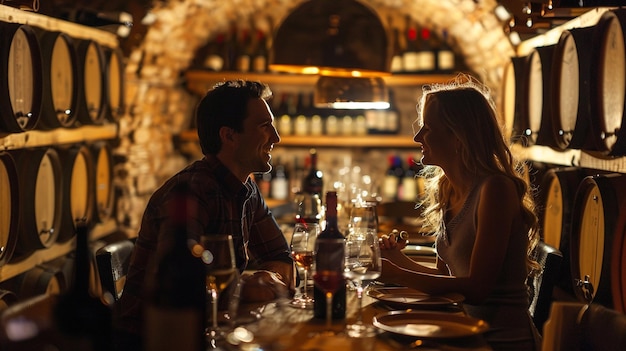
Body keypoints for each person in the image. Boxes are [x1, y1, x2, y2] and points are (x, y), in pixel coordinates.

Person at [115, 80, 296, 349]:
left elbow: (281, 258)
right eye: (264, 126)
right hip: (153, 341)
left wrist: (270, 278)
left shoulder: (247, 188)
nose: (276, 137)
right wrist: (247, 287)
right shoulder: (191, 192)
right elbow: (179, 288)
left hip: (213, 332)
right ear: (229, 136)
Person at [378, 74, 542, 351]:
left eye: (427, 128)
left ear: (458, 136)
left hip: (499, 341)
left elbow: (477, 289)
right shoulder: (449, 190)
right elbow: (450, 283)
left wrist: (396, 274)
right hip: (460, 333)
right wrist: (397, 260)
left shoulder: (495, 190)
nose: (417, 137)